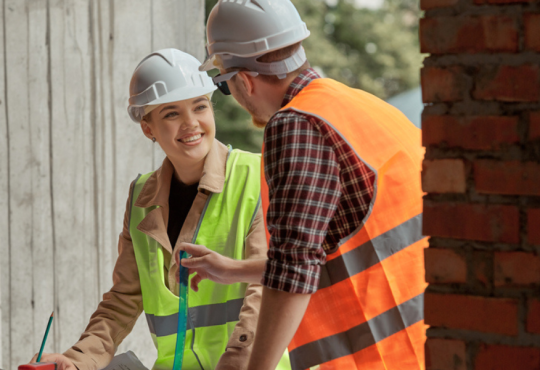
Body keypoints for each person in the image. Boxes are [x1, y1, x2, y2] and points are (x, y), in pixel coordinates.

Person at [176, 1, 428, 369]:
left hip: (383, 357)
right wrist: (235, 270)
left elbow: (296, 267)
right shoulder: (359, 105)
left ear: (245, 80)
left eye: (226, 88)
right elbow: (344, 246)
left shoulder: (296, 125)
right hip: (434, 340)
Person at [28, 48, 290, 370]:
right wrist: (75, 361)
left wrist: (237, 362)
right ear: (148, 128)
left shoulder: (256, 176)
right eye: (171, 113)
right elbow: (122, 301)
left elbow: (265, 289)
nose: (191, 123)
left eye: (200, 106)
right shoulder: (141, 198)